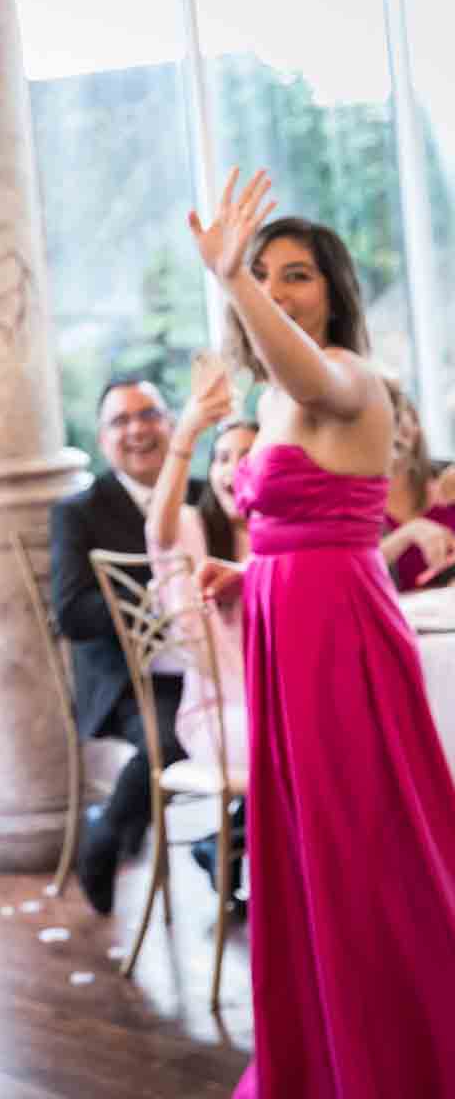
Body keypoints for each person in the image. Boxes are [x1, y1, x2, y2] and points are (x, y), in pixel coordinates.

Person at [188, 174, 455, 1096]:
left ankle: (397, 1057)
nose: (278, 286)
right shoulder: (267, 406)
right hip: (285, 625)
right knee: (305, 853)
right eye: (266, 272)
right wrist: (248, 571)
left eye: (296, 274)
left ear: (333, 291)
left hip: (339, 637)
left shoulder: (350, 376)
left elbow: (305, 373)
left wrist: (232, 279)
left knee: (363, 851)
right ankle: (324, 1052)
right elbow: (288, 524)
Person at [49, 375, 200, 914]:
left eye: (149, 415)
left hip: (207, 665)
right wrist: (159, 603)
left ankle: (222, 846)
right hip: (124, 678)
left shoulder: (203, 493)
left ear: (172, 423)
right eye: (121, 420)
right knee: (183, 731)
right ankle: (109, 832)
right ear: (102, 438)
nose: (138, 429)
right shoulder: (80, 512)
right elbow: (70, 612)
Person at [144, 358, 257, 897]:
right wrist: (186, 433)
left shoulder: (284, 541)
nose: (234, 469)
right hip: (218, 714)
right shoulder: (192, 530)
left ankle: (230, 843)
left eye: (250, 458)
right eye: (224, 458)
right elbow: (158, 530)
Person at [379, 380, 455, 591]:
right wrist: (408, 533)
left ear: (414, 422)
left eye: (394, 416)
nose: (387, 431)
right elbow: (351, 568)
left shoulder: (448, 479)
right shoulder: (348, 504)